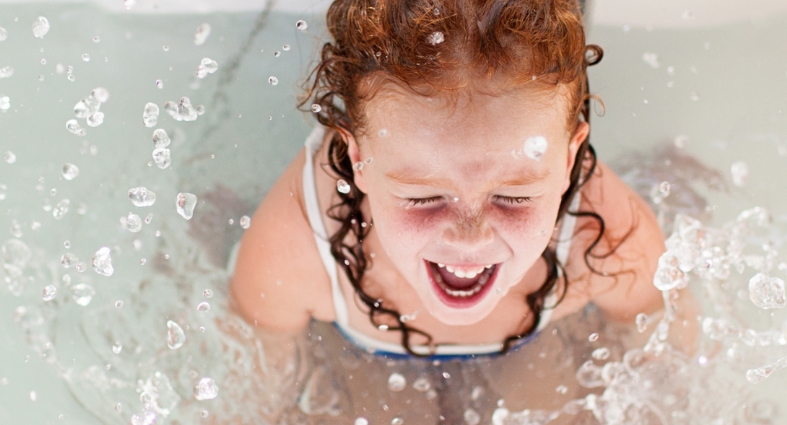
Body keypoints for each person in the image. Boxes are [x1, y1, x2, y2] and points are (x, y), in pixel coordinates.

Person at [231, 0, 670, 389]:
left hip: (534, 344)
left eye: (514, 198)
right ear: (359, 159)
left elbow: (664, 365)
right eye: (423, 198)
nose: (469, 238)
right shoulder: (298, 244)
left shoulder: (610, 238)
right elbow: (252, 393)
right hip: (355, 349)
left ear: (569, 160)